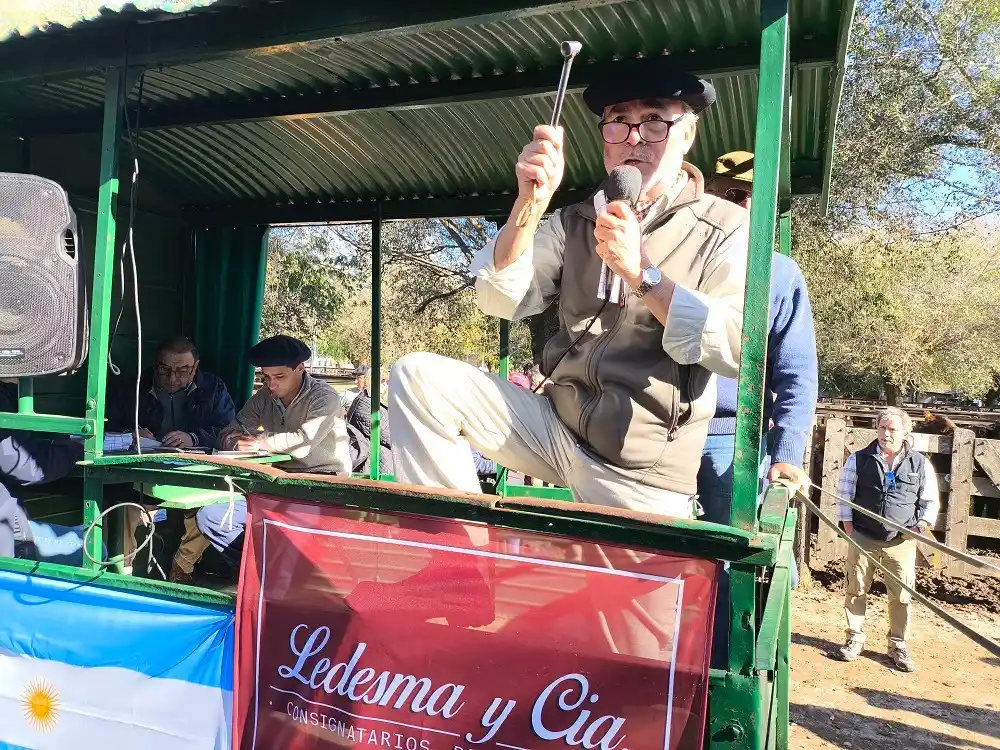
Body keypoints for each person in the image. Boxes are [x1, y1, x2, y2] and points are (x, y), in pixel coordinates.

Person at [388, 57, 750, 517]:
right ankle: (461, 556)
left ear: (687, 135)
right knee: (418, 378)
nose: (634, 137)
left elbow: (736, 349)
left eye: (654, 121)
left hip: (639, 469)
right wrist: (528, 205)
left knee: (628, 591)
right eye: (618, 122)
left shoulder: (726, 227)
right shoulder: (574, 220)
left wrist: (642, 274)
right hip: (555, 429)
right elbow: (498, 299)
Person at [698, 150, 818, 518]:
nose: (746, 206)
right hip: (658, 431)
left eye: (758, 198)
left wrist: (786, 454)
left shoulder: (780, 274)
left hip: (732, 439)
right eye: (734, 195)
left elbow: (797, 373)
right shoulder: (676, 259)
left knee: (731, 556)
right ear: (712, 200)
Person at [192, 335, 351, 576]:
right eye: (266, 378)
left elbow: (303, 443)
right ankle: (260, 576)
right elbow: (229, 431)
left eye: (279, 377)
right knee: (211, 517)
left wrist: (262, 442)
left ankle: (273, 576)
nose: (271, 385)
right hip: (276, 483)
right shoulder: (264, 398)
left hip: (324, 485)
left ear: (300, 369)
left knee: (281, 530)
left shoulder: (324, 397)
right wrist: (236, 443)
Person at [835, 407, 939, 672]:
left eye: (892, 429)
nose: (886, 434)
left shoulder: (920, 464)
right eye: (882, 428)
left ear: (905, 432)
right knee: (856, 589)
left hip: (901, 541)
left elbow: (929, 501)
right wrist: (850, 530)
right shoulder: (859, 459)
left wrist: (921, 526)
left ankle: (898, 645)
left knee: (902, 596)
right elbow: (844, 495)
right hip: (863, 537)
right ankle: (854, 638)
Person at [106, 335, 236, 449]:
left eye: (183, 370)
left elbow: (228, 429)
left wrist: (194, 438)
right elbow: (109, 427)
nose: (172, 378)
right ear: (155, 365)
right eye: (164, 368)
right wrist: (130, 434)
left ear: (195, 367)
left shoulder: (212, 388)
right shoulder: (132, 388)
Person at [0, 429, 88, 566]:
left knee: (82, 533)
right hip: (6, 536)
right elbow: (23, 464)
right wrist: (79, 448)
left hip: (10, 520)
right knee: (95, 548)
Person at [345, 365, 392, 475]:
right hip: (373, 466)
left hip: (379, 462)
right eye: (384, 382)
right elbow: (387, 435)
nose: (387, 386)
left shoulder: (372, 401)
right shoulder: (365, 405)